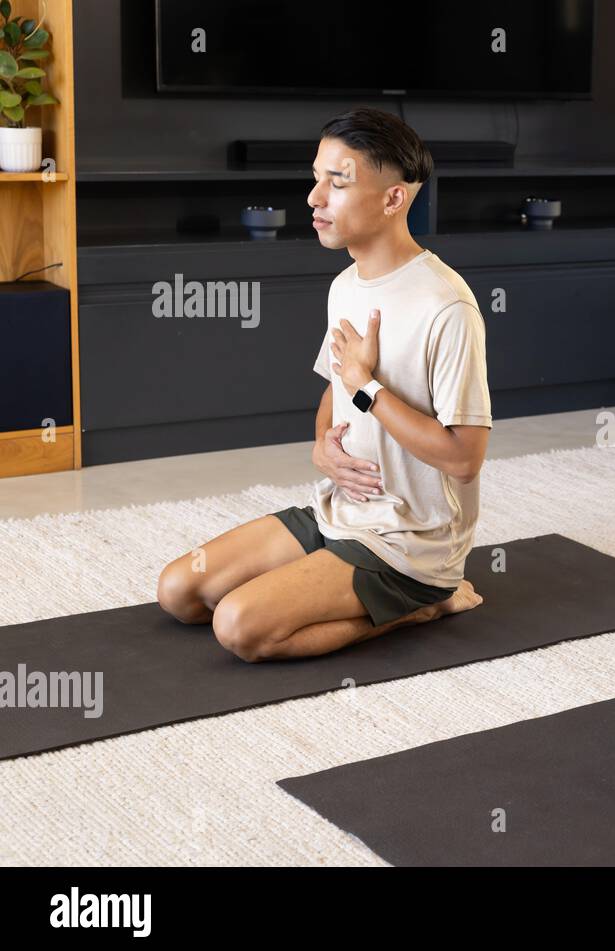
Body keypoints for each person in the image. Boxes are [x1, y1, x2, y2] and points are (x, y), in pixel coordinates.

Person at [157, 108, 492, 662]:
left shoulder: (447, 306)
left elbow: (464, 459)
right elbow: (335, 393)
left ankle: (425, 602)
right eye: (316, 178)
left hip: (409, 543)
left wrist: (368, 389)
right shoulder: (345, 287)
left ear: (394, 199)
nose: (314, 198)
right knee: (180, 592)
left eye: (338, 181)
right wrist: (324, 447)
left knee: (239, 627)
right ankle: (344, 580)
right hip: (341, 512)